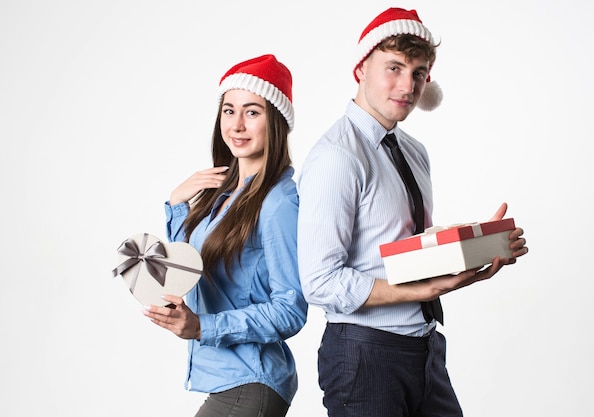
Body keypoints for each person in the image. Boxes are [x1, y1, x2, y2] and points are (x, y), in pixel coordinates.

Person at [297, 7, 529, 417]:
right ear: (361, 69)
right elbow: (319, 281)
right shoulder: (337, 157)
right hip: (365, 354)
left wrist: (469, 246)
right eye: (394, 68)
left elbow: (401, 248)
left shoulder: (413, 151)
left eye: (419, 72)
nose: (408, 85)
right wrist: (419, 292)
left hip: (424, 348)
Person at [142, 54, 308, 417]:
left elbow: (290, 310)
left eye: (252, 112)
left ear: (275, 121)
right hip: (229, 381)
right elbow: (189, 271)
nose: (237, 125)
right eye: (229, 111)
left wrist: (203, 326)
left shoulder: (279, 203)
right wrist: (177, 205)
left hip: (249, 383)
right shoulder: (222, 195)